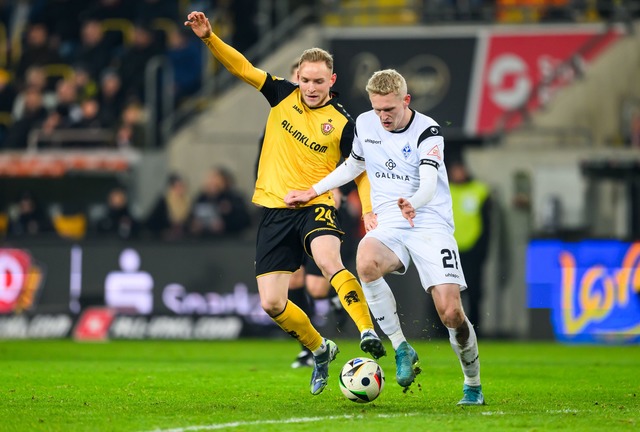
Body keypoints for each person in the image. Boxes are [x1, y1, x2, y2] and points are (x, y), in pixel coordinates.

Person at [185, 10, 385, 395]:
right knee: (272, 304)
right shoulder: (281, 94)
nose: (311, 88)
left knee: (329, 262)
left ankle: (366, 329)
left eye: (319, 82)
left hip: (317, 205)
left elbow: (360, 171)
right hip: (276, 211)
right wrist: (209, 37)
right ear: (298, 77)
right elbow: (243, 68)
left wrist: (369, 208)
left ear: (333, 81)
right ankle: (319, 349)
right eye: (306, 80)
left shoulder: (345, 123)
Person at [285, 69, 485, 405]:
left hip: (429, 221)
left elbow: (429, 182)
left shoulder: (428, 131)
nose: (383, 117)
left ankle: (473, 383)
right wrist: (313, 191)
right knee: (365, 262)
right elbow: (354, 165)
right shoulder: (365, 123)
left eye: (389, 109)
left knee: (450, 313)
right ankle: (401, 346)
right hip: (391, 219)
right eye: (378, 109)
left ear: (406, 101)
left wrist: (414, 203)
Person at [448, 157, 491, 336]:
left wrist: (482, 250)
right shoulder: (444, 190)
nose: (457, 174)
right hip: (449, 251)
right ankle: (445, 332)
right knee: (447, 293)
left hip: (472, 252)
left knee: (474, 292)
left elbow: (487, 223)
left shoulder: (479, 191)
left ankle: (474, 331)